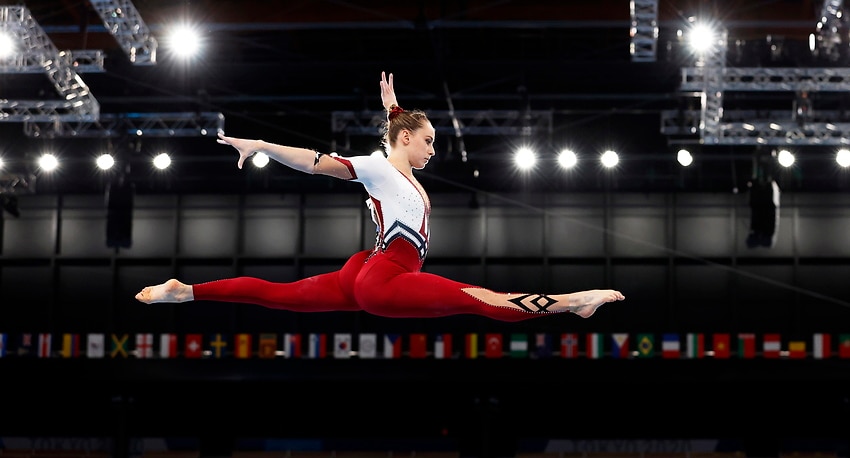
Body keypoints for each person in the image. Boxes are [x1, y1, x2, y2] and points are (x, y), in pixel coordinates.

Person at [135, 72, 625, 321]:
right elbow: (313, 161)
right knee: (482, 300)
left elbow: (395, 143)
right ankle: (574, 301)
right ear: (407, 140)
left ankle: (186, 291)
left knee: (277, 294)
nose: (434, 149)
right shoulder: (374, 167)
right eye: (429, 140)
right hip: (385, 275)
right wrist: (263, 145)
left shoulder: (391, 165)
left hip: (369, 268)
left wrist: (393, 109)